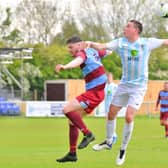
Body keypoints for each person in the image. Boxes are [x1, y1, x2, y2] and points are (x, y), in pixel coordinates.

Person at [86, 20, 168, 166]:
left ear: (136, 30)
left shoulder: (147, 42)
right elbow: (102, 46)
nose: (125, 28)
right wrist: (90, 43)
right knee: (111, 114)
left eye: (128, 26)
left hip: (139, 87)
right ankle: (109, 141)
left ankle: (123, 149)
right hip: (124, 85)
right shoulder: (120, 42)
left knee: (129, 117)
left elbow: (165, 42)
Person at [55, 35, 107, 163]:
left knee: (66, 109)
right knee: (72, 122)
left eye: (71, 47)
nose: (69, 50)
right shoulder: (93, 51)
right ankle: (72, 153)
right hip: (97, 93)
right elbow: (107, 50)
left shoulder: (82, 53)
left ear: (79, 45)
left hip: (94, 93)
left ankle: (88, 134)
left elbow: (78, 61)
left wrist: (65, 67)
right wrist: (93, 44)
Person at [92, 72, 118, 150]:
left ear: (112, 78)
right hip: (107, 107)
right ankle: (113, 135)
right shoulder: (105, 87)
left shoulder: (115, 86)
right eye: (107, 77)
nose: (108, 79)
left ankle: (113, 136)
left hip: (114, 107)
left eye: (110, 77)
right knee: (107, 121)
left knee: (112, 120)